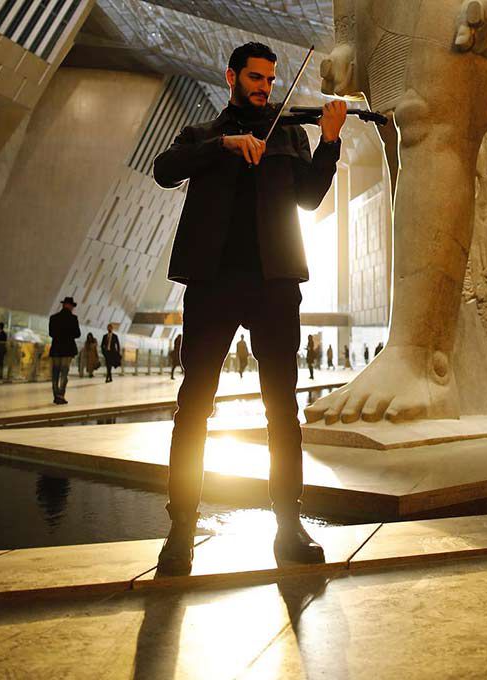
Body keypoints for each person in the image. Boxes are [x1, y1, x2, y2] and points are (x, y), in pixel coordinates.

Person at [152, 41, 346, 575]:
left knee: (281, 410)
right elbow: (164, 169)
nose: (265, 87)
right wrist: (225, 145)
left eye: (270, 79)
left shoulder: (289, 135)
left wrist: (329, 142)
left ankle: (289, 526)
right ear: (231, 77)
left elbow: (309, 198)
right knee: (194, 406)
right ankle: (181, 529)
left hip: (274, 283)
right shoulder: (203, 135)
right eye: (255, 77)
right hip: (211, 283)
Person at [49, 297, 80, 404]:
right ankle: (61, 395)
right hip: (68, 349)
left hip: (56, 348)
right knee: (64, 372)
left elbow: (51, 333)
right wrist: (68, 334)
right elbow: (77, 334)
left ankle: (55, 395)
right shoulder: (73, 319)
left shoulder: (53, 318)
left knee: (55, 372)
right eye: (72, 306)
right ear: (69, 306)